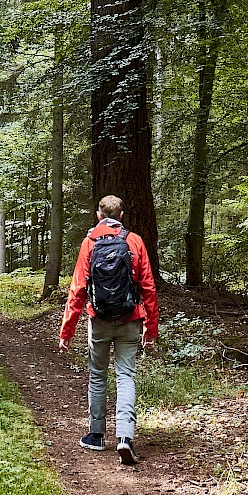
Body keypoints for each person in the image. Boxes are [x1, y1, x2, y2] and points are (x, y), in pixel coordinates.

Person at [59, 194, 159, 465]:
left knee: (97, 375)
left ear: (98, 215)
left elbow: (77, 290)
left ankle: (96, 434)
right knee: (125, 375)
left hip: (99, 320)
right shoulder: (134, 241)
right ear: (122, 216)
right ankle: (125, 438)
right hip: (130, 319)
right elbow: (148, 287)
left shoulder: (89, 242)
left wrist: (66, 331)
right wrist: (151, 328)